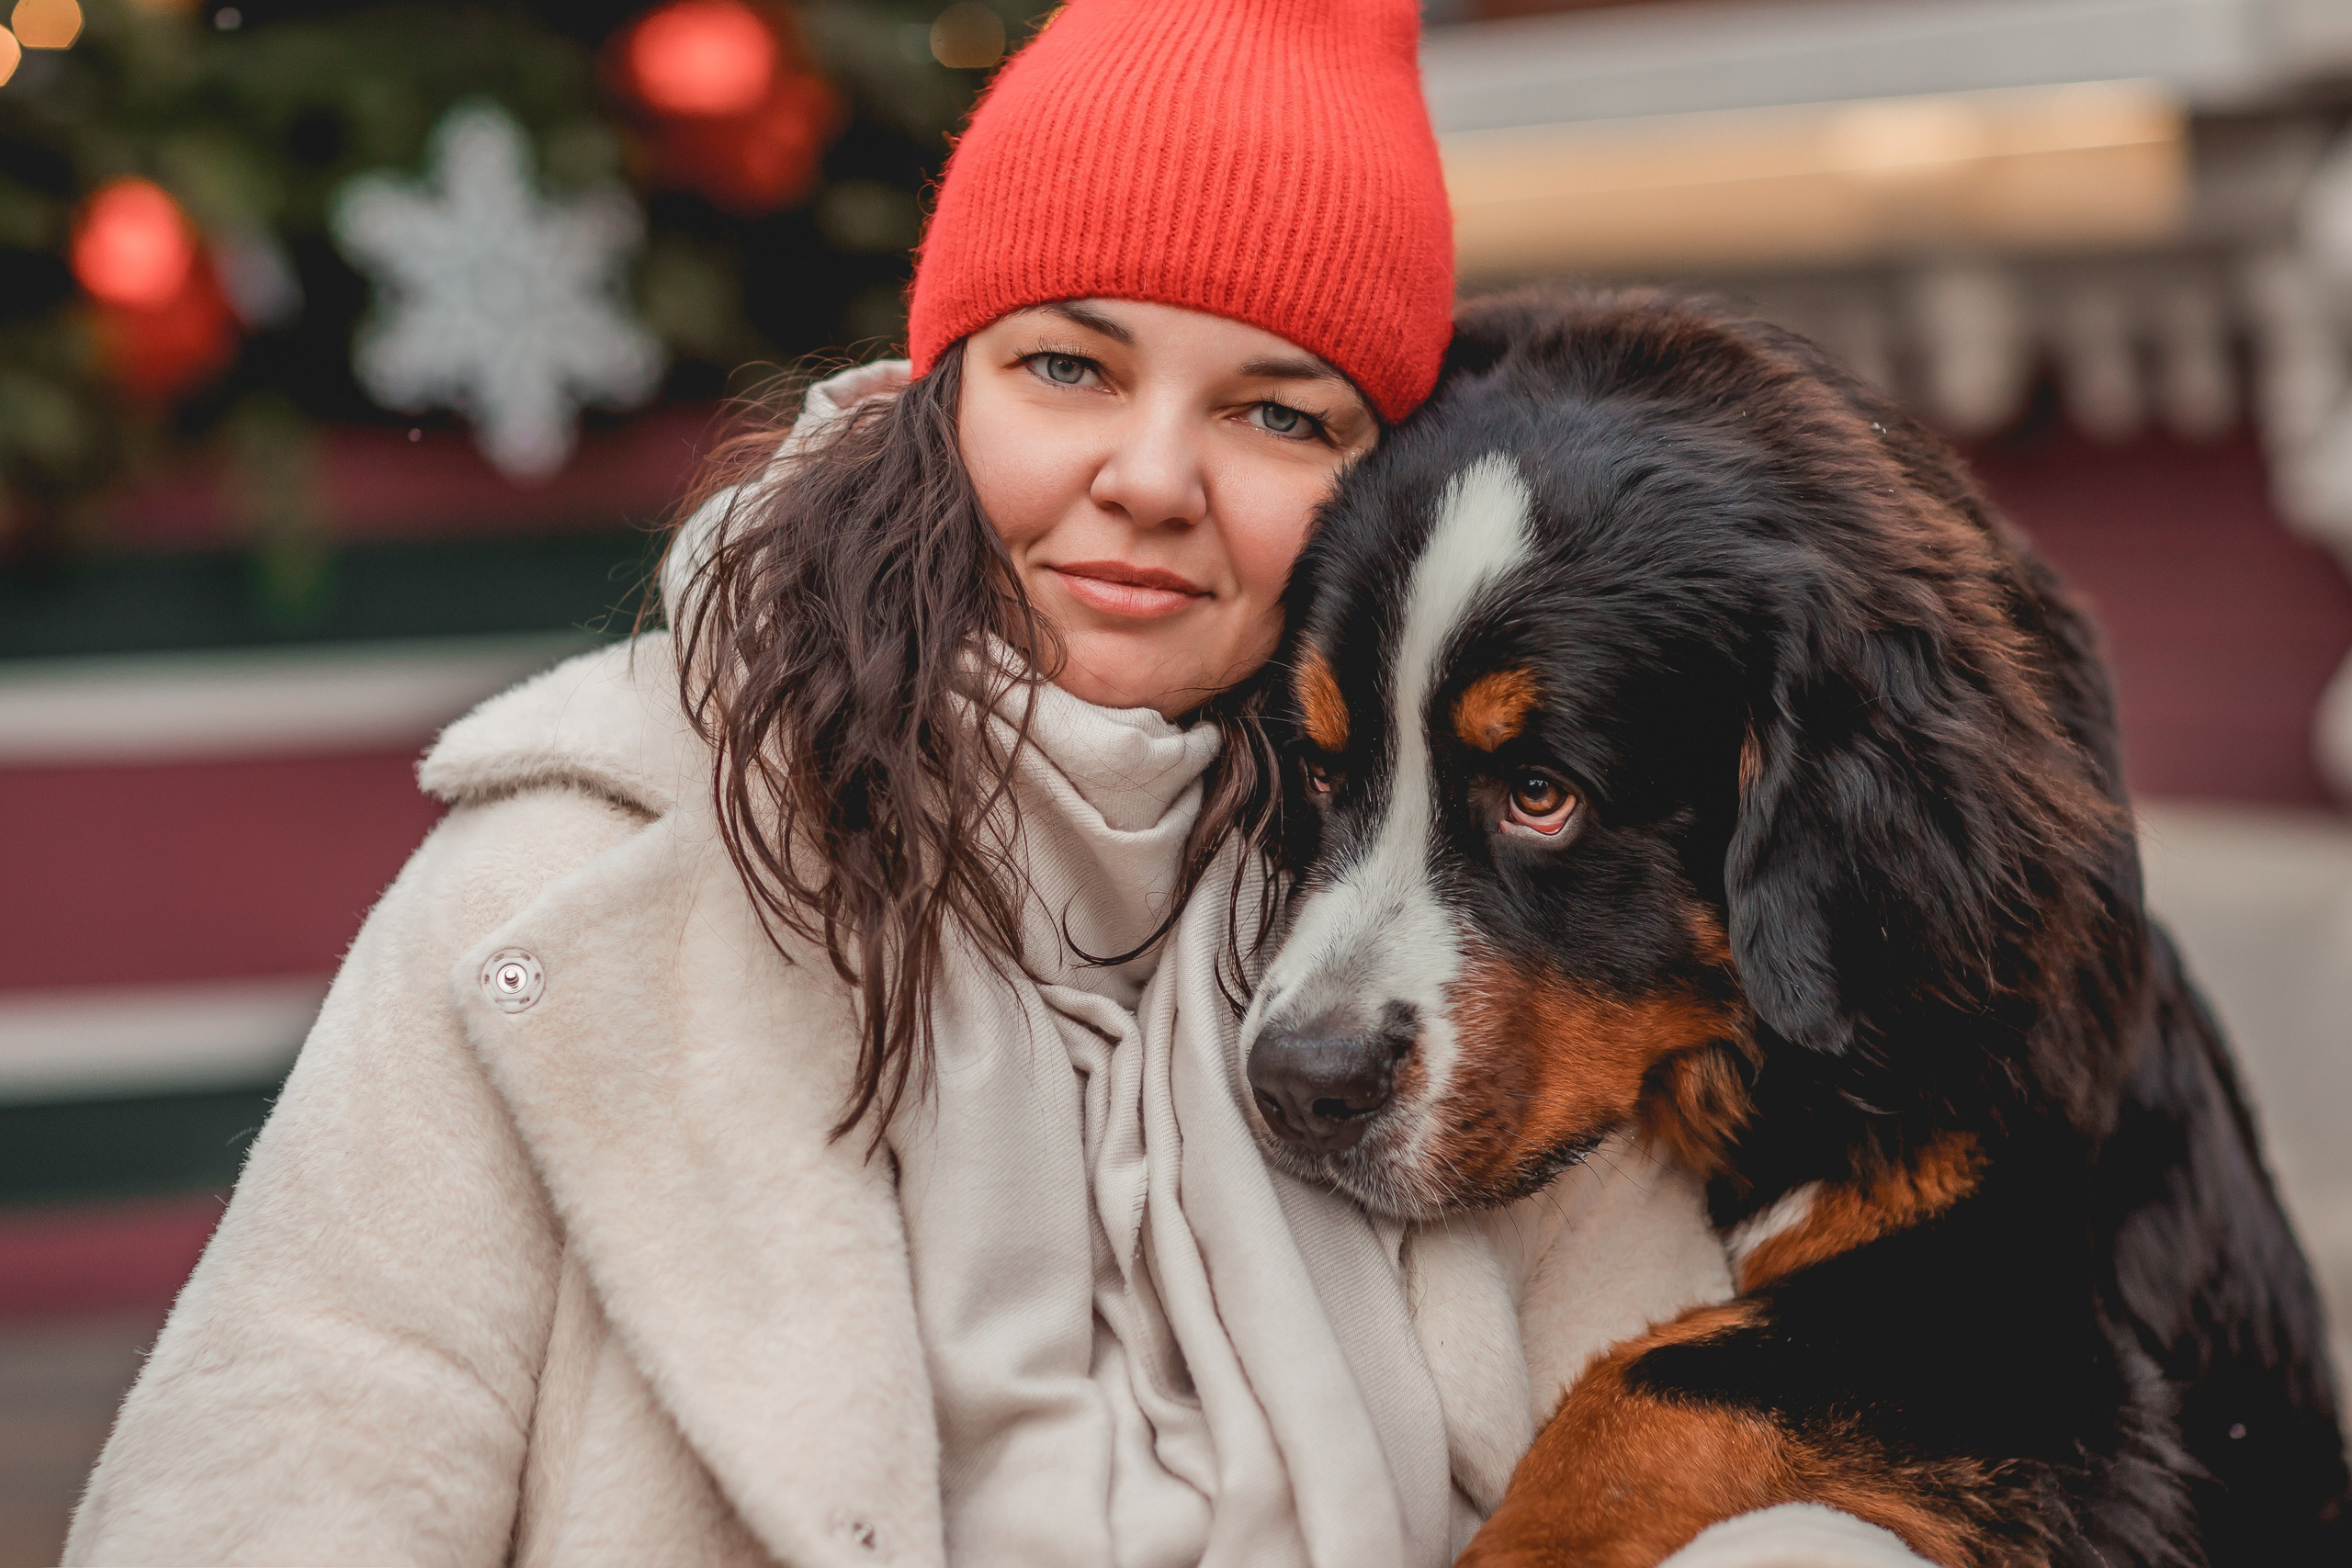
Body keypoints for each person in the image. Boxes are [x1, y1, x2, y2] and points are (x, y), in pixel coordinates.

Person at [61, 4, 1779, 1565]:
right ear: (939, 397)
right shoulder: (564, 885)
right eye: (1069, 368)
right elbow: (291, 1467)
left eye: (1276, 414)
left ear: (1377, 489)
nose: (1153, 478)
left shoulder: (1445, 940)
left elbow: (1704, 1438)